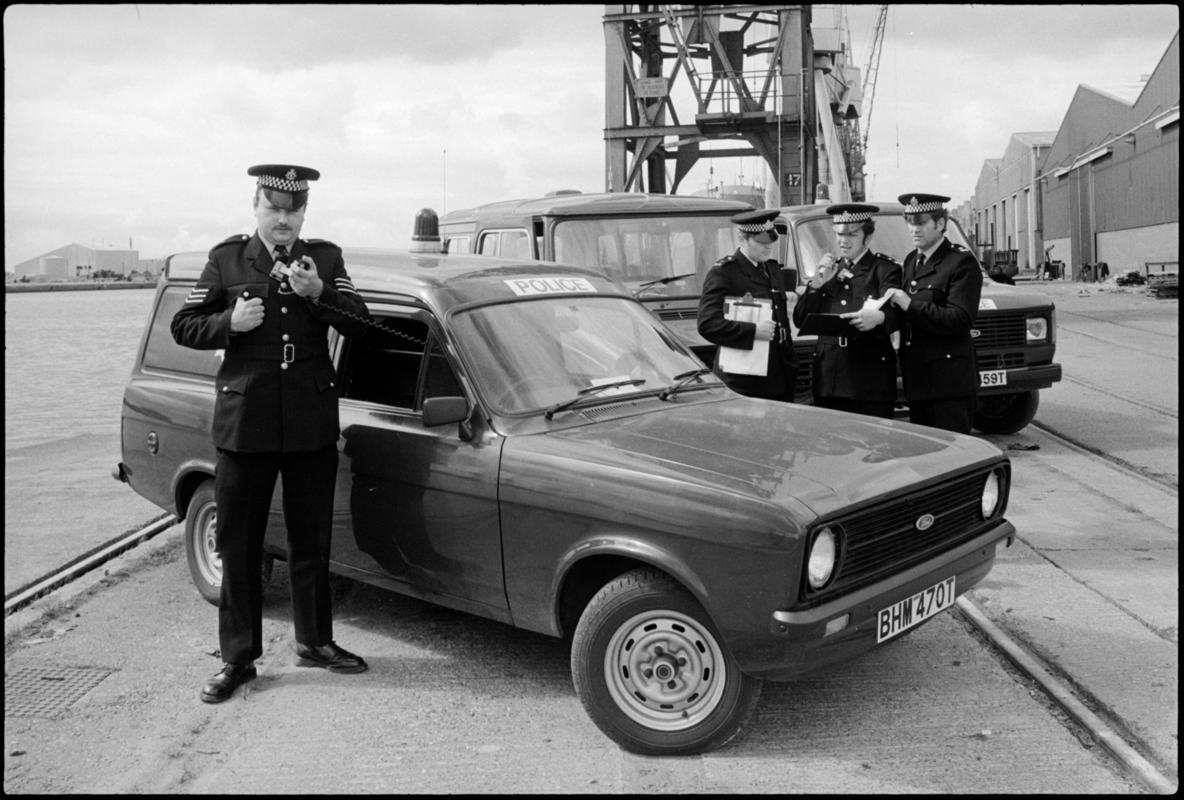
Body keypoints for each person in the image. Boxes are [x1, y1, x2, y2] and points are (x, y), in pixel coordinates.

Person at [172, 164, 373, 703]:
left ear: (304, 212)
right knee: (239, 543)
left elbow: (362, 322)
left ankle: (315, 641)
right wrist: (227, 325)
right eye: (273, 208)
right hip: (246, 424)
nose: (283, 219)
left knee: (312, 539)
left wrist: (319, 293)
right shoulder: (226, 259)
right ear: (256, 206)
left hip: (308, 419)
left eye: (293, 210)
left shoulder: (325, 260)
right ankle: (238, 659)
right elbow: (182, 326)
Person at [883, 193, 982, 434]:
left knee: (953, 459)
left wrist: (910, 305)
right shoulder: (911, 261)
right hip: (918, 380)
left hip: (949, 385)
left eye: (921, 223)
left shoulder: (960, 262)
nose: (913, 229)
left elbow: (959, 319)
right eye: (909, 222)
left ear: (940, 224)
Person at [792, 203, 902, 418]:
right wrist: (816, 284)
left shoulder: (884, 270)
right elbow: (800, 319)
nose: (843, 240)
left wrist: (879, 318)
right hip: (830, 377)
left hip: (868, 376)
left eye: (851, 234)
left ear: (867, 238)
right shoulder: (831, 270)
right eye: (839, 234)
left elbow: (897, 314)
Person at [697, 209, 797, 401]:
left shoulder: (772, 269)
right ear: (742, 238)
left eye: (770, 242)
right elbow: (708, 324)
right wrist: (753, 331)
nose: (768, 248)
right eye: (761, 242)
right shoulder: (725, 273)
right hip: (744, 380)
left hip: (779, 375)